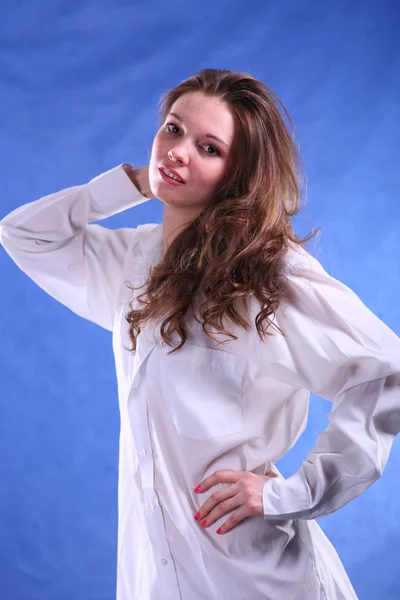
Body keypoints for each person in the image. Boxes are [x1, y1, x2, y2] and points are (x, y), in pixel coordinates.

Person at [1, 68, 399, 600]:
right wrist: (137, 182)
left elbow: (384, 369)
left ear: (239, 174)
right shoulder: (133, 264)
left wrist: (296, 493)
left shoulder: (268, 273)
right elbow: (25, 234)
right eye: (172, 129)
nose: (178, 151)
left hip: (255, 578)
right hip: (156, 576)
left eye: (209, 148)